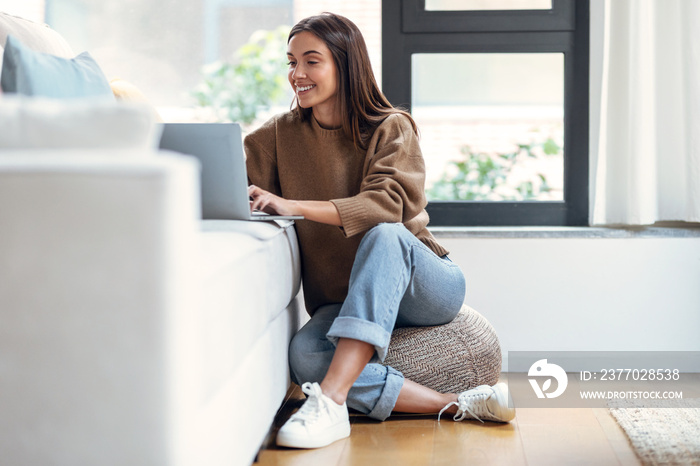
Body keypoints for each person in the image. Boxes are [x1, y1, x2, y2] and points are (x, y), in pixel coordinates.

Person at [245, 12, 515, 450]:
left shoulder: (392, 126)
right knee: (305, 354)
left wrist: (293, 205)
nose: (297, 74)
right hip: (343, 299)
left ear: (346, 64)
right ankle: (455, 404)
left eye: (312, 61)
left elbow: (386, 206)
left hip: (425, 286)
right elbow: (237, 187)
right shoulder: (276, 137)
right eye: (291, 62)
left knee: (385, 234)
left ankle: (331, 401)